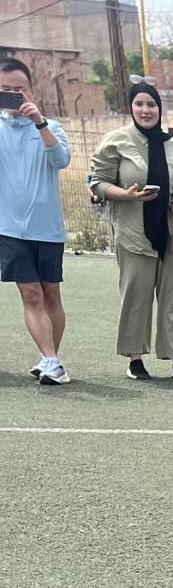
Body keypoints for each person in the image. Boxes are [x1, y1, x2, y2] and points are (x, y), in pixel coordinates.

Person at [88, 83, 173, 382]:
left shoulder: (171, 144)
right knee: (136, 298)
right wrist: (125, 195)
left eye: (151, 104)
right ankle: (135, 359)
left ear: (159, 108)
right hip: (134, 234)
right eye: (139, 104)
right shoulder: (116, 141)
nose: (145, 110)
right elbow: (98, 183)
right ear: (130, 107)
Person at [0, 57, 71, 385]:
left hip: (48, 228)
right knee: (30, 293)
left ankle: (50, 358)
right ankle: (51, 360)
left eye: (18, 89)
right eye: (5, 90)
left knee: (51, 294)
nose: (12, 95)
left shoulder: (51, 127)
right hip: (9, 228)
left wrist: (39, 123)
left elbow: (61, 160)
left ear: (31, 90)